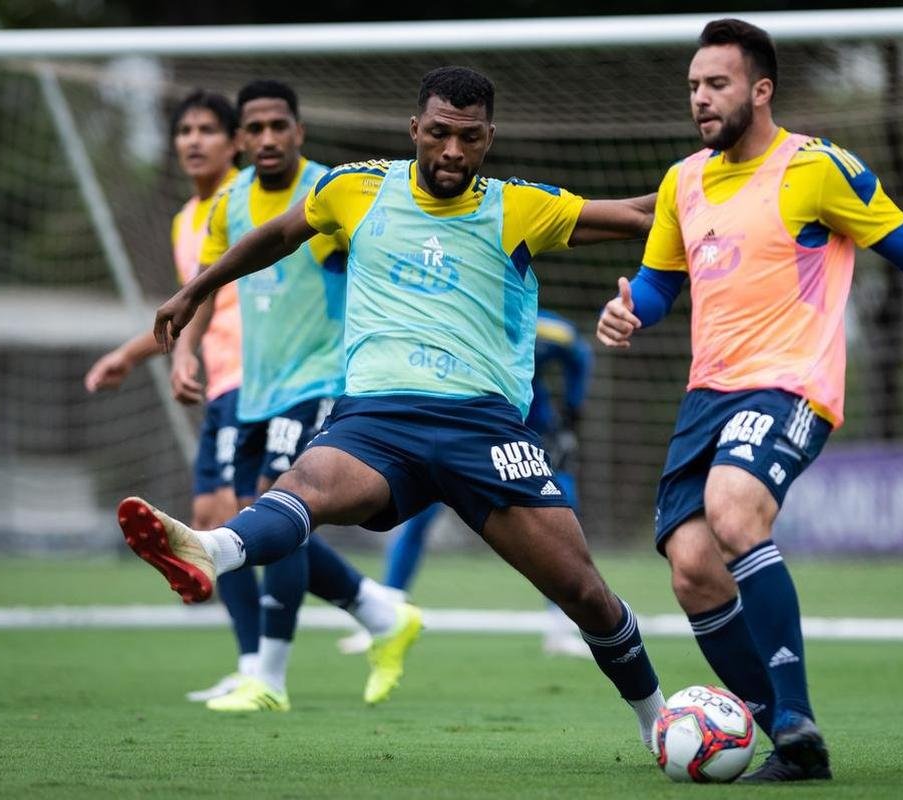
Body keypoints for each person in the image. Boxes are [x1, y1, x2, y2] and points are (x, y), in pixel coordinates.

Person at [596, 18, 903, 782]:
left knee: (732, 511)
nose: (700, 98)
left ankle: (794, 721)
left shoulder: (816, 168)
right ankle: (783, 738)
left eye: (716, 84)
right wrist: (633, 310)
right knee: (691, 567)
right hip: (707, 395)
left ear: (759, 90)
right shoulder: (681, 180)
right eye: (693, 85)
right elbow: (663, 279)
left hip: (790, 382)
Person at [122, 66, 668, 752]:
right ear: (414, 128)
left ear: (488, 139)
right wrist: (193, 291)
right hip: (377, 419)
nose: (450, 152)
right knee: (305, 484)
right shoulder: (355, 189)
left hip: (485, 427)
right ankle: (211, 551)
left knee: (584, 592)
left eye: (468, 139)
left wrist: (707, 182)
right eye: (438, 133)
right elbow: (277, 234)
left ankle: (658, 721)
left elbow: (643, 215)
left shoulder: (519, 206)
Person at [156, 79, 423, 712]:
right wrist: (187, 352)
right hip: (257, 387)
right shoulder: (229, 204)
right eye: (257, 128)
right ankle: (380, 613)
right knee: (258, 522)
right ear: (241, 140)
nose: (269, 138)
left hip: (323, 380)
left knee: (283, 505)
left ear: (299, 131)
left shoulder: (335, 191)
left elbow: (385, 259)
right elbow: (210, 283)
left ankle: (267, 678)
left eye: (281, 126)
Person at [83, 89, 270, 702]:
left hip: (263, 376)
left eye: (207, 129)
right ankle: (370, 608)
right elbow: (188, 305)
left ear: (235, 141)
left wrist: (179, 352)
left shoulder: (251, 200)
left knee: (225, 524)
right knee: (244, 526)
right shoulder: (185, 219)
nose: (193, 140)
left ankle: (259, 669)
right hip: (221, 379)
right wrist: (130, 354)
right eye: (183, 130)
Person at [335, 308, 594, 659]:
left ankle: (561, 628)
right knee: (418, 519)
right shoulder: (453, 321)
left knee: (560, 515)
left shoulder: (550, 332)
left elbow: (580, 357)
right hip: (460, 436)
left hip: (523, 440)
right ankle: (386, 618)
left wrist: (571, 418)